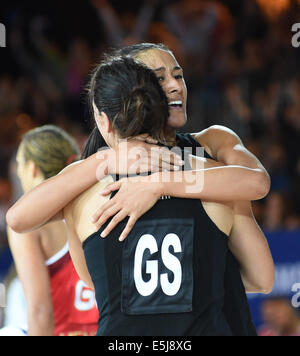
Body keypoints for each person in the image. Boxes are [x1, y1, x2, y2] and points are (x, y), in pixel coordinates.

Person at [7, 56, 273, 335]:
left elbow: (85, 275)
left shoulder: (83, 192)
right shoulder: (211, 176)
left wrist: (108, 164)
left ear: (105, 121)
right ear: (160, 109)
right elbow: (262, 276)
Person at [7, 125, 99, 336]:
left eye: (19, 164)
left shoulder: (27, 223)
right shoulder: (92, 200)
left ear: (31, 168)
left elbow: (40, 312)